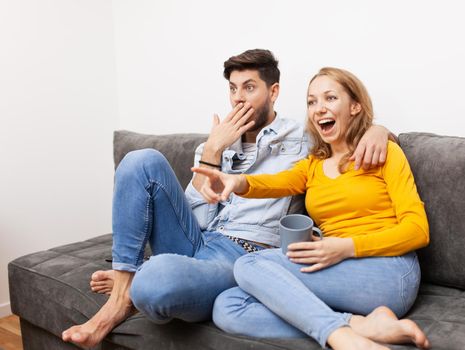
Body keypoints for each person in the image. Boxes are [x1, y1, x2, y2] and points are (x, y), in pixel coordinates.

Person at [61, 50, 392, 348]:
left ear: (273, 92)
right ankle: (122, 293)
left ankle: (138, 281)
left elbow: (349, 134)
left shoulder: (302, 137)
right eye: (233, 89)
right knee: (139, 160)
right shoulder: (218, 141)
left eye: (249, 87)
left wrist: (379, 131)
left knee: (154, 282)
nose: (238, 98)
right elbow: (197, 217)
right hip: (198, 240)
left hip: (244, 254)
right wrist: (212, 151)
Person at [193, 67, 431, 350]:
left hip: (390, 271)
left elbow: (418, 231)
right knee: (228, 305)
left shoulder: (385, 153)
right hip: (338, 267)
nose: (319, 109)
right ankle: (358, 325)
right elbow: (273, 183)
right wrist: (235, 181)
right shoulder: (313, 165)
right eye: (311, 101)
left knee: (249, 263)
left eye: (330, 98)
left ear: (355, 106)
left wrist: (344, 247)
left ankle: (343, 339)